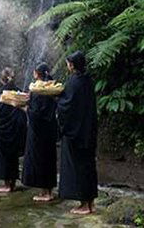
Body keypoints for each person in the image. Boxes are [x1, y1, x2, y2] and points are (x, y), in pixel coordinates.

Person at [57, 51, 98, 214]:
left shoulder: (74, 82)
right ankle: (90, 202)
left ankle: (83, 205)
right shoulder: (87, 80)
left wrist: (57, 99)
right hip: (88, 129)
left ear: (72, 65)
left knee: (78, 167)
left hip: (76, 133)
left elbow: (67, 106)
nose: (67, 66)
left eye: (68, 63)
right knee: (88, 165)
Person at [0, 67, 27, 193]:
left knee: (3, 157)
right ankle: (12, 183)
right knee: (13, 157)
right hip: (15, 130)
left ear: (1, 79)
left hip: (2, 132)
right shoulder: (18, 92)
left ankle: (7, 185)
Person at [22, 63, 58, 202]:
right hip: (49, 128)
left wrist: (24, 108)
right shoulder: (50, 88)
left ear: (36, 73)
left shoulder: (38, 89)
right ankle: (47, 191)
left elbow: (36, 113)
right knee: (48, 158)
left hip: (38, 131)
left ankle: (46, 193)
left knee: (40, 159)